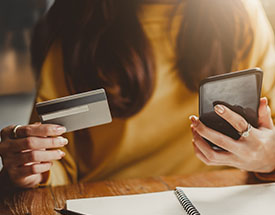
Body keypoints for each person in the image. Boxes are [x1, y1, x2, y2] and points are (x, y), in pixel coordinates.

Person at [1, 0, 275, 189]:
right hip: (104, 200)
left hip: (225, 199)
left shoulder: (240, 14)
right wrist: (34, 168)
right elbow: (58, 161)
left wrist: (269, 157)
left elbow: (270, 133)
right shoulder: (74, 27)